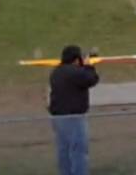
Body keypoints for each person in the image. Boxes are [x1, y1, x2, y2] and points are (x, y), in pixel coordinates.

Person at [48, 45, 99, 175]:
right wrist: (89, 65)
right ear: (76, 59)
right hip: (74, 118)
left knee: (64, 151)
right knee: (78, 152)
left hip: (58, 118)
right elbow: (92, 79)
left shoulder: (56, 71)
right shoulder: (74, 72)